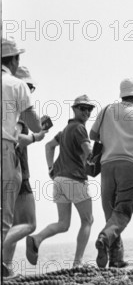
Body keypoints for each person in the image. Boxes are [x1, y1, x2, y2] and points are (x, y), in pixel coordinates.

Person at [91, 78, 133, 268]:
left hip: (107, 167)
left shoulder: (106, 110)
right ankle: (104, 237)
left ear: (122, 94)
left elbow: (92, 136)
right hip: (129, 166)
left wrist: (110, 135)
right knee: (123, 210)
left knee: (111, 212)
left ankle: (116, 258)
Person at [26, 95, 95, 268]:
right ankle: (77, 263)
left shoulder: (65, 130)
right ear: (74, 109)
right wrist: (95, 159)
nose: (86, 111)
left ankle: (37, 238)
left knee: (63, 224)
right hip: (75, 179)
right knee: (88, 220)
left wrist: (50, 169)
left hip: (58, 180)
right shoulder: (80, 128)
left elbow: (49, 146)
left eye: (90, 109)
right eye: (83, 108)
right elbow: (88, 151)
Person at [2, 38, 43, 277]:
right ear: (14, 60)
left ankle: (4, 269)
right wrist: (40, 133)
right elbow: (33, 122)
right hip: (5, 149)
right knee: (6, 218)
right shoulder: (16, 85)